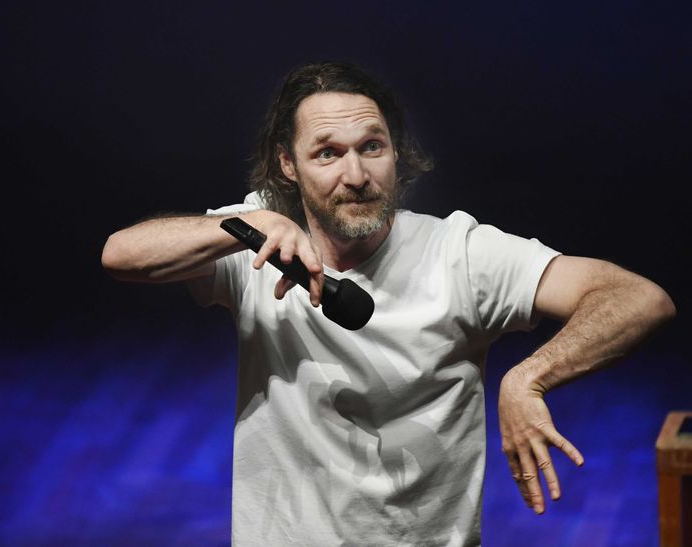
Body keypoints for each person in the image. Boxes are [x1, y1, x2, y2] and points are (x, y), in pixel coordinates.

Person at [101, 61, 675, 546]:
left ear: (395, 151)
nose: (355, 174)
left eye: (371, 147)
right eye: (327, 153)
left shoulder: (458, 254)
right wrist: (247, 226)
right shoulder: (261, 243)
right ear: (287, 165)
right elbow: (120, 255)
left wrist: (529, 378)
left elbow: (638, 298)